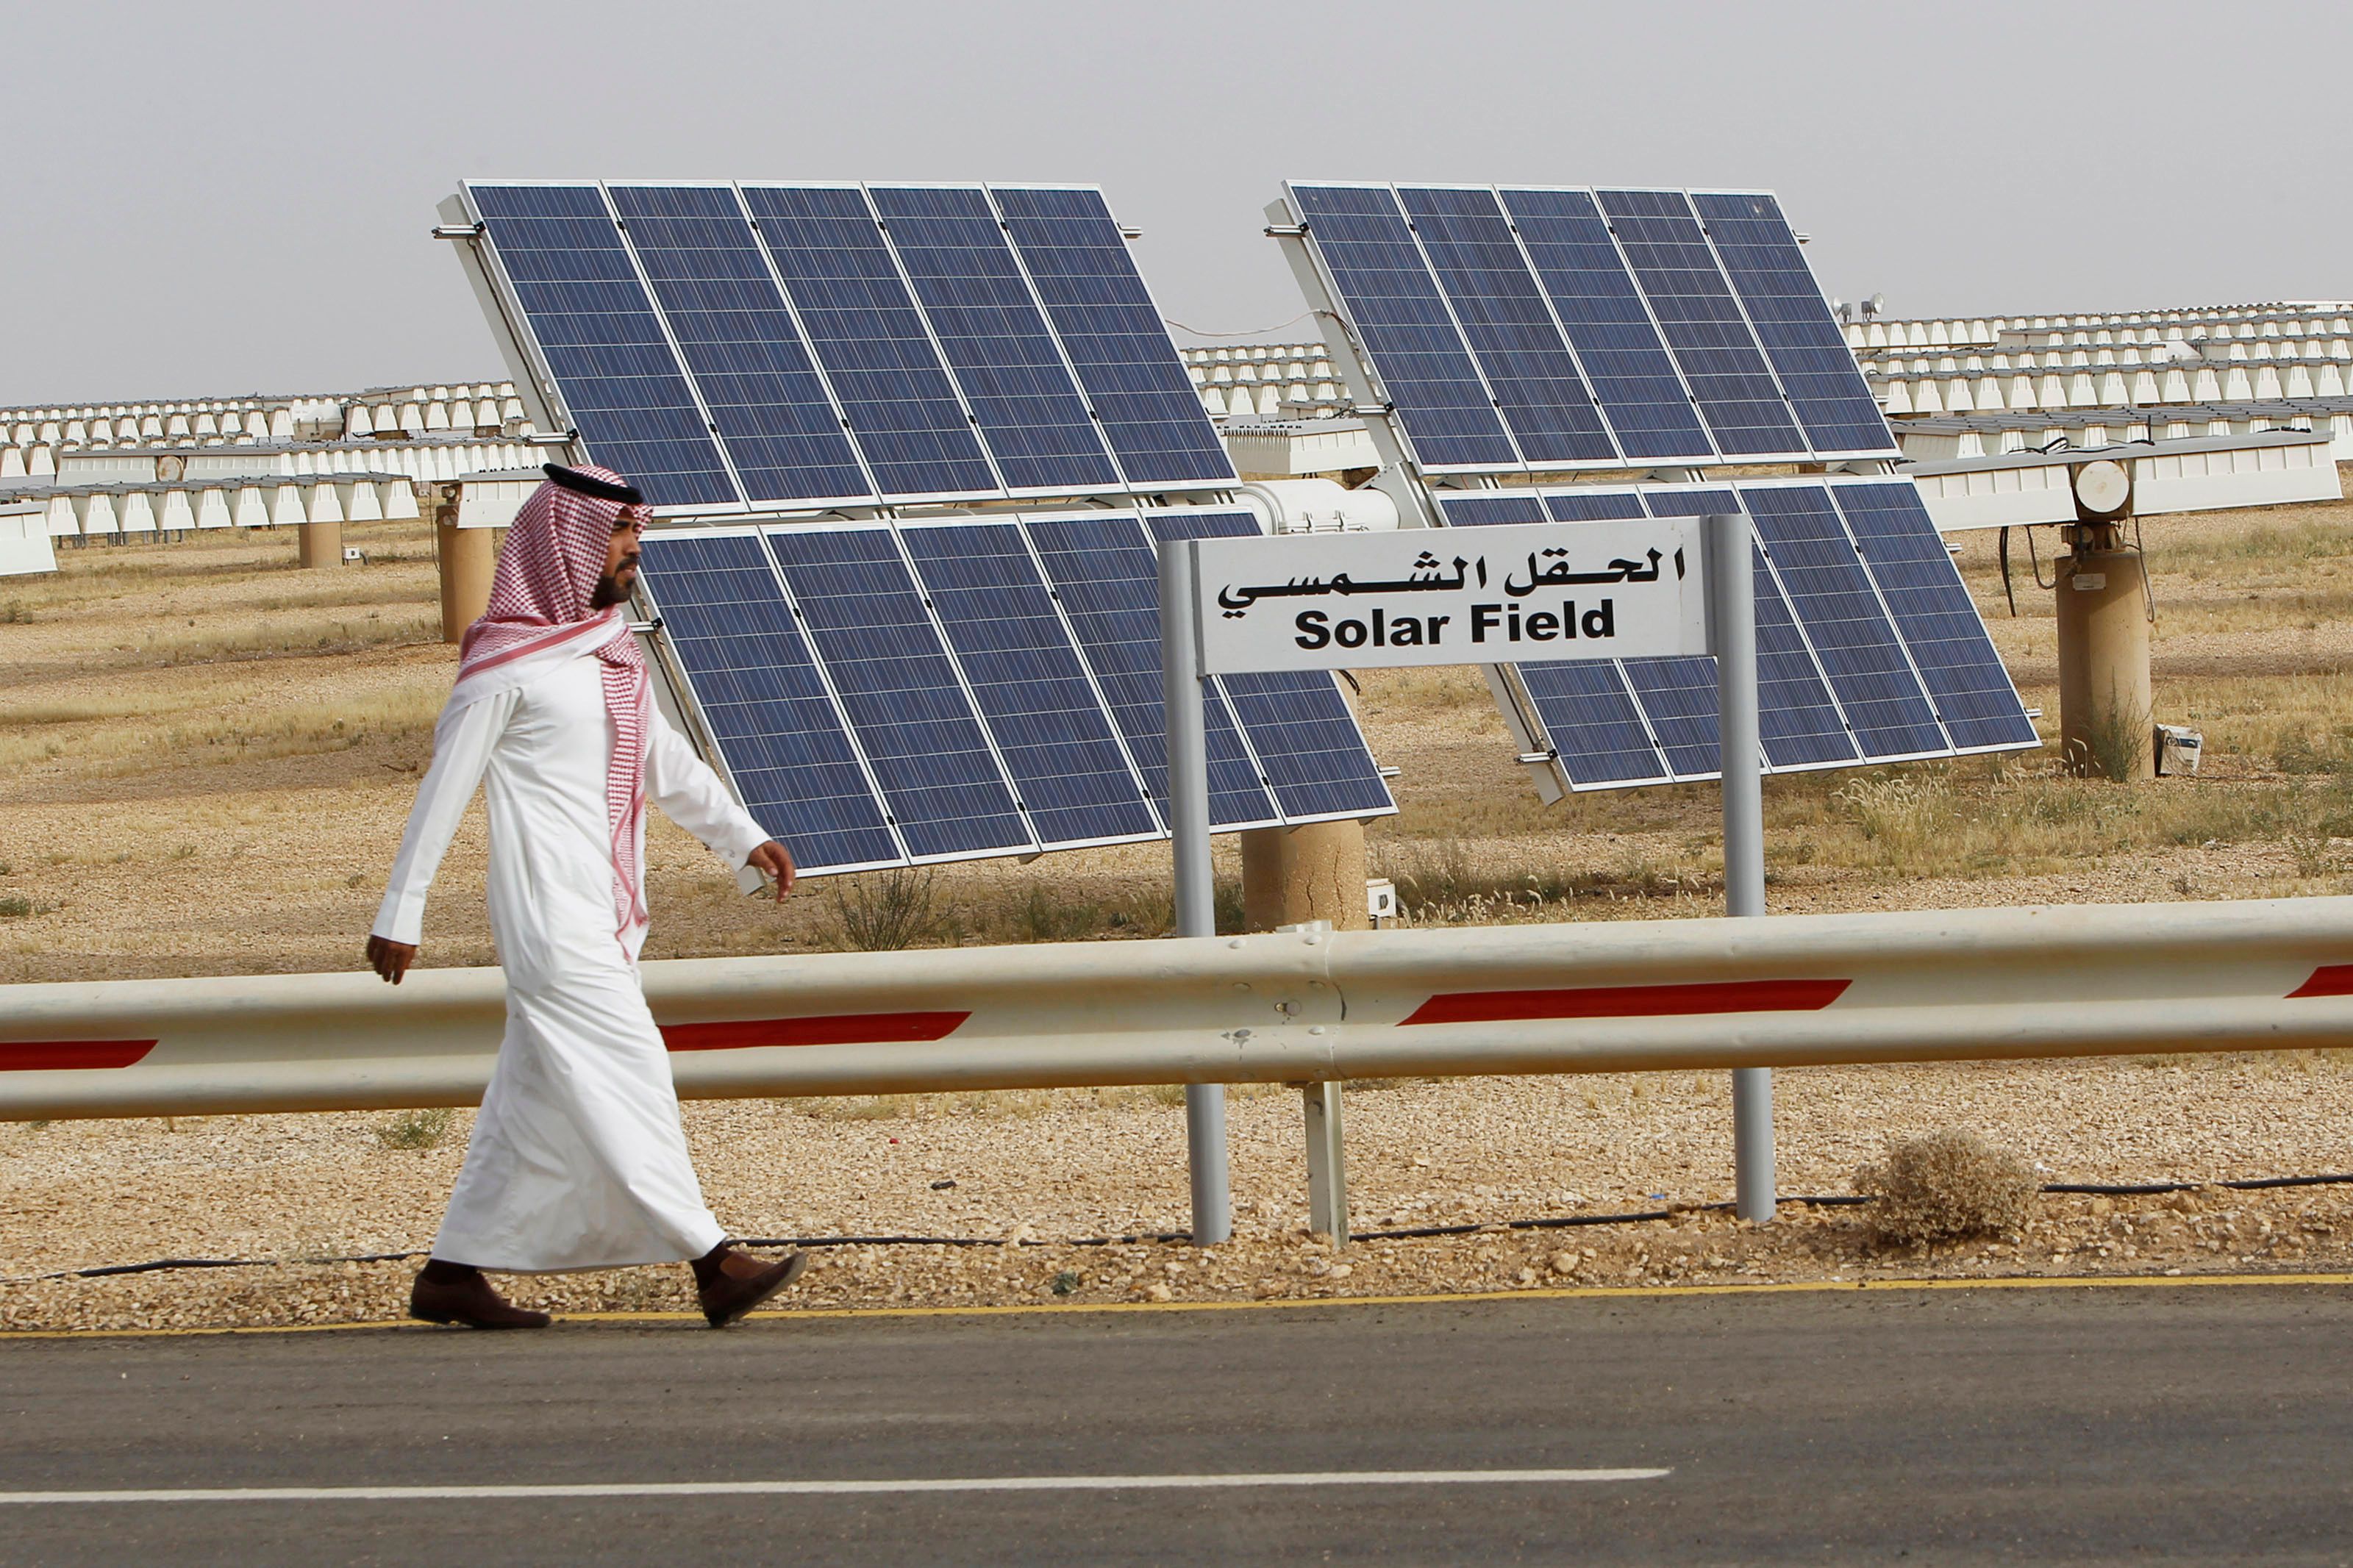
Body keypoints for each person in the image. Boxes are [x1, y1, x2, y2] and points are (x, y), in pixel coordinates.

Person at [365, 462, 804, 1330]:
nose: (634, 550)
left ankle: (449, 1275)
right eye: (619, 535)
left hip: (605, 911)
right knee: (629, 1066)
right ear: (568, 546)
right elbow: (442, 792)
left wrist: (739, 834)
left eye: (635, 534)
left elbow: (663, 764)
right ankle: (714, 1263)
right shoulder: (505, 666)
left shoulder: (608, 652)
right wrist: (400, 912)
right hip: (546, 914)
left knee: (531, 1097)